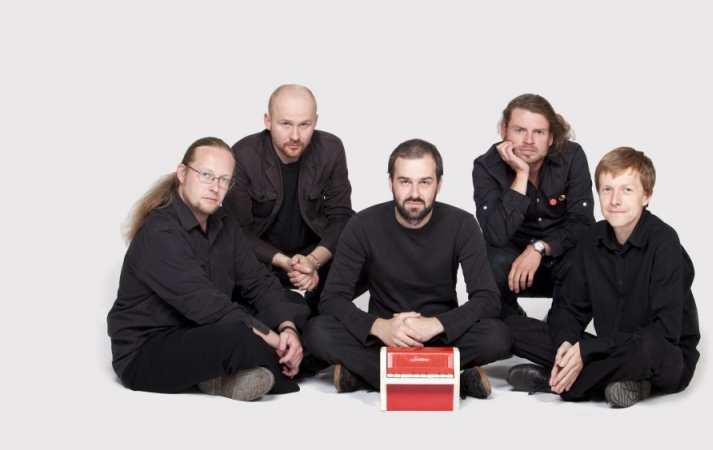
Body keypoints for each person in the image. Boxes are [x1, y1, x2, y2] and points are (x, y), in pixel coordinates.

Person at [303, 138, 512, 400]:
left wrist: (435, 324)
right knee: (317, 331)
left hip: (441, 336)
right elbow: (332, 299)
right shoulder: (363, 224)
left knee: (498, 336)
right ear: (390, 182)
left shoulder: (462, 224)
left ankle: (369, 374)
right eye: (405, 182)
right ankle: (447, 376)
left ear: (439, 184)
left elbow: (487, 299)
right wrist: (380, 327)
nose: (414, 193)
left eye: (424, 182)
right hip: (382, 338)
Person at [107, 137, 309, 401]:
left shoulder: (225, 224)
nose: (215, 187)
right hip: (148, 351)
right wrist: (275, 340)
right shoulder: (160, 233)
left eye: (224, 180)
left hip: (202, 330)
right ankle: (284, 361)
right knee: (239, 335)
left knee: (294, 304)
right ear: (182, 173)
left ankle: (224, 372)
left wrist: (287, 328)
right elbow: (207, 306)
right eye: (206, 175)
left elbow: (258, 282)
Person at [504, 147, 701, 408]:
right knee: (511, 328)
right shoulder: (591, 239)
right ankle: (619, 382)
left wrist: (587, 351)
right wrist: (567, 344)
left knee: (648, 347)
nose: (615, 200)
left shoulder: (665, 242)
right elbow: (569, 308)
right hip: (609, 349)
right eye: (607, 189)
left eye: (627, 190)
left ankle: (560, 383)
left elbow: (665, 332)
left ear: (646, 196)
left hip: (663, 357)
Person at [225, 84, 366, 318]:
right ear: (268, 121)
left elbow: (341, 217)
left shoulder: (331, 149)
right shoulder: (242, 155)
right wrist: (286, 263)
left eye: (304, 125)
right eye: (285, 124)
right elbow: (238, 231)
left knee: (368, 256)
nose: (295, 136)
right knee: (226, 268)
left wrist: (312, 261)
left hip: (314, 253)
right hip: (263, 261)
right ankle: (288, 308)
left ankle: (313, 309)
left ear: (315, 121)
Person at [473, 93, 595, 319]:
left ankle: (560, 323)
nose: (528, 140)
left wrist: (540, 247)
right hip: (513, 264)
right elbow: (495, 235)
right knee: (487, 259)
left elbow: (584, 224)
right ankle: (514, 322)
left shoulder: (572, 157)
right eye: (520, 130)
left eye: (538, 132)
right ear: (504, 131)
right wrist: (521, 173)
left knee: (589, 259)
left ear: (551, 137)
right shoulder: (486, 166)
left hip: (561, 256)